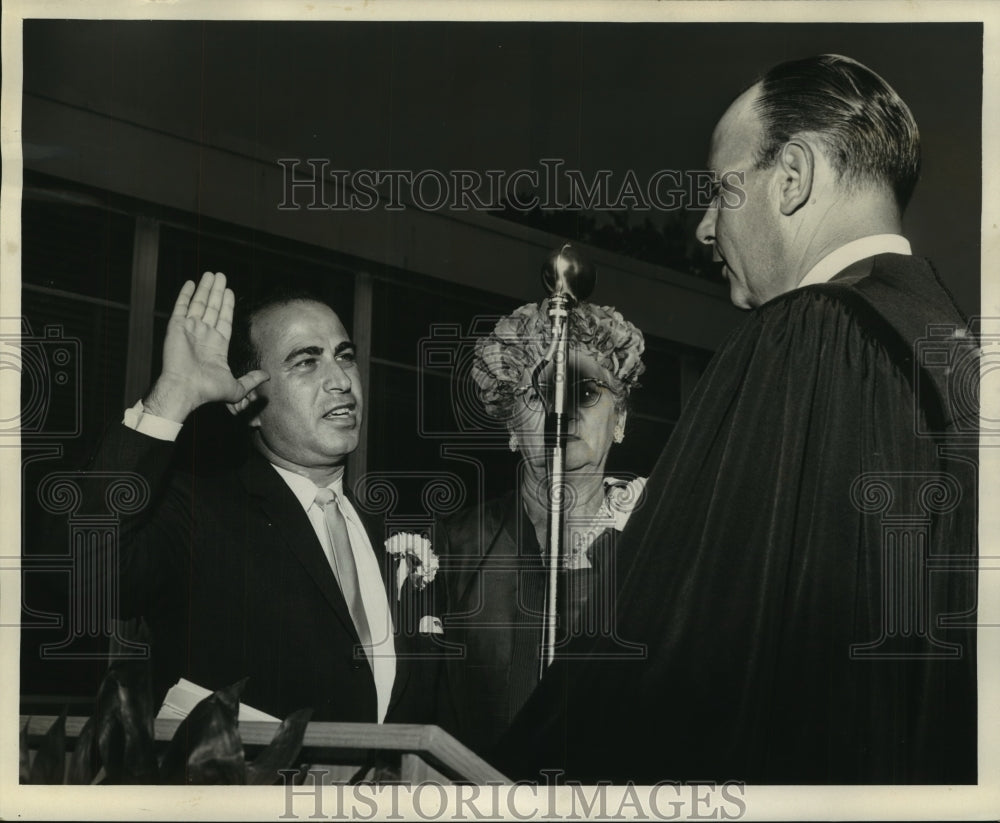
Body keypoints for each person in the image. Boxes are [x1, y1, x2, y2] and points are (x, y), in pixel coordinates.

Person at [493, 54, 978, 784]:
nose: (703, 227)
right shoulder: (953, 347)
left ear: (793, 177)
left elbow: (671, 649)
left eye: (723, 190)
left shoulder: (811, 335)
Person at [87, 272, 414, 723]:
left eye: (345, 356)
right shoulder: (202, 511)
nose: (340, 379)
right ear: (247, 402)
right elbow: (85, 572)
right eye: (306, 361)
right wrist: (172, 397)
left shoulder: (390, 535)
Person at [398, 299, 646, 754]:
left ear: (621, 421)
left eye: (587, 393)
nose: (562, 414)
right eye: (539, 396)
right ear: (510, 425)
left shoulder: (665, 539)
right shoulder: (449, 549)